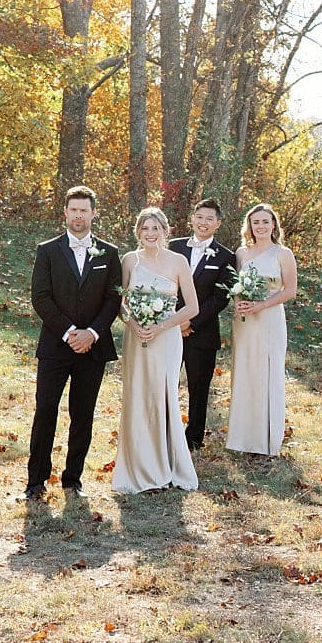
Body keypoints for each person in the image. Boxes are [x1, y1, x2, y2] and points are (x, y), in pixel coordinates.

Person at [25, 186, 122, 498]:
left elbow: (112, 299)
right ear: (65, 212)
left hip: (92, 348)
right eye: (73, 210)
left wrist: (91, 334)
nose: (79, 215)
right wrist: (69, 332)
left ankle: (72, 480)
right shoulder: (48, 250)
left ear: (94, 213)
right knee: (46, 411)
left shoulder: (109, 252)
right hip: (56, 345)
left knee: (83, 414)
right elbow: (40, 297)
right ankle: (36, 481)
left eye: (84, 210)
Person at [110, 208, 202, 494]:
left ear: (165, 231)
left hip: (166, 339)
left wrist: (161, 325)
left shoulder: (178, 261)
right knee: (137, 393)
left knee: (163, 394)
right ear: (138, 232)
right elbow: (120, 303)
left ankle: (167, 463)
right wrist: (134, 324)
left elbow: (192, 307)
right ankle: (137, 465)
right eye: (145, 229)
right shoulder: (129, 260)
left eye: (156, 229)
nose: (150, 234)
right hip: (136, 337)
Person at [226, 203, 296, 457]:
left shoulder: (282, 253)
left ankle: (267, 439)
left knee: (268, 372)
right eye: (256, 222)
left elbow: (290, 290)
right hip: (245, 322)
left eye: (266, 222)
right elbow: (235, 286)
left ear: (274, 224)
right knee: (244, 371)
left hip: (269, 320)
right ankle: (242, 437)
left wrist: (261, 305)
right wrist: (239, 304)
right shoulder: (242, 253)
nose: (261, 226)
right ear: (250, 226)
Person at [169, 199, 237, 451]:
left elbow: (220, 298)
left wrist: (190, 321)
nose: (203, 222)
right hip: (169, 328)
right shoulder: (173, 248)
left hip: (203, 332)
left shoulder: (226, 256)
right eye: (200, 216)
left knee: (199, 388)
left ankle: (193, 439)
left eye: (209, 218)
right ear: (192, 218)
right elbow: (164, 285)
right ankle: (167, 433)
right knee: (166, 383)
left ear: (217, 224)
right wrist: (176, 321)